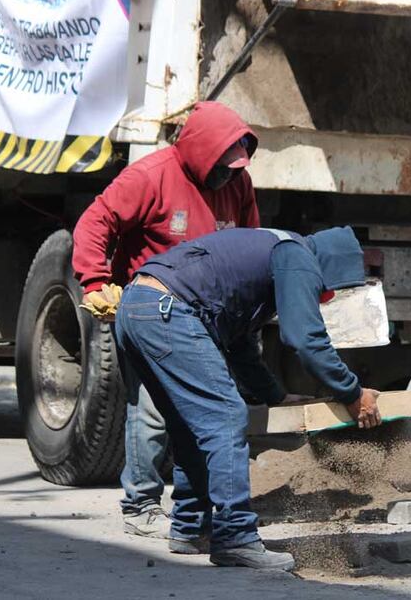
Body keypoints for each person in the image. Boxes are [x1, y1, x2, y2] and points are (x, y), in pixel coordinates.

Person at [114, 226, 382, 570]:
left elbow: (239, 345)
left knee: (188, 425)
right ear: (329, 267)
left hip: (137, 307)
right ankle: (235, 537)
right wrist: (353, 392)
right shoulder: (298, 255)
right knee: (226, 417)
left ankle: (191, 527)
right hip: (168, 311)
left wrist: (275, 395)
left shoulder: (274, 251)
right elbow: (305, 339)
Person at [72, 101, 261, 541]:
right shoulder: (150, 176)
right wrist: (95, 280)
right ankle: (140, 503)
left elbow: (249, 244)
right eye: (222, 166)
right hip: (150, 312)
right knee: (153, 409)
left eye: (236, 167)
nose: (228, 175)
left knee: (202, 411)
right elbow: (95, 222)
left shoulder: (239, 185)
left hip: (205, 317)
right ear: (200, 151)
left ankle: (191, 513)